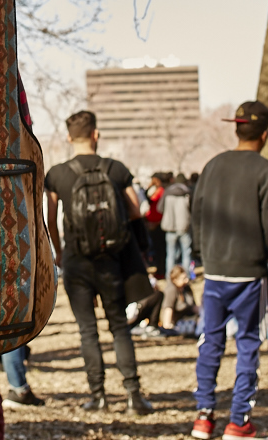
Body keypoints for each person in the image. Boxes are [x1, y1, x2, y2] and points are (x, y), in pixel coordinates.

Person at [191, 100, 268, 440]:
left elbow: (198, 213)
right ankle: (238, 421)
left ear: (236, 129)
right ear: (265, 134)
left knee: (210, 341)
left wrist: (200, 255)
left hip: (216, 270)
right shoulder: (267, 171)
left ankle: (203, 416)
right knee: (248, 343)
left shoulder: (213, 166)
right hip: (250, 273)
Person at [46, 110, 154, 415]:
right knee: (119, 327)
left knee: (87, 330)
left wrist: (59, 251)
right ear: (96, 134)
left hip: (76, 260)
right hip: (112, 260)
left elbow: (51, 220)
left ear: (69, 137)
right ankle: (134, 395)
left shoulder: (57, 173)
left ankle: (98, 396)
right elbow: (135, 210)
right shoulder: (116, 169)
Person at [161, 173, 192, 277]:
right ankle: (185, 277)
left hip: (170, 227)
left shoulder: (167, 192)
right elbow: (193, 210)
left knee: (170, 254)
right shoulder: (187, 192)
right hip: (184, 226)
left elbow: (160, 208)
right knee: (186, 253)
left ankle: (169, 278)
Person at [159, 264, 199, 335]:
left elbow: (193, 307)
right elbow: (168, 309)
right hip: (177, 323)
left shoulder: (187, 288)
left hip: (189, 318)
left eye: (186, 277)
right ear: (175, 280)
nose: (186, 280)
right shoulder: (171, 290)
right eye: (183, 278)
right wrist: (167, 326)